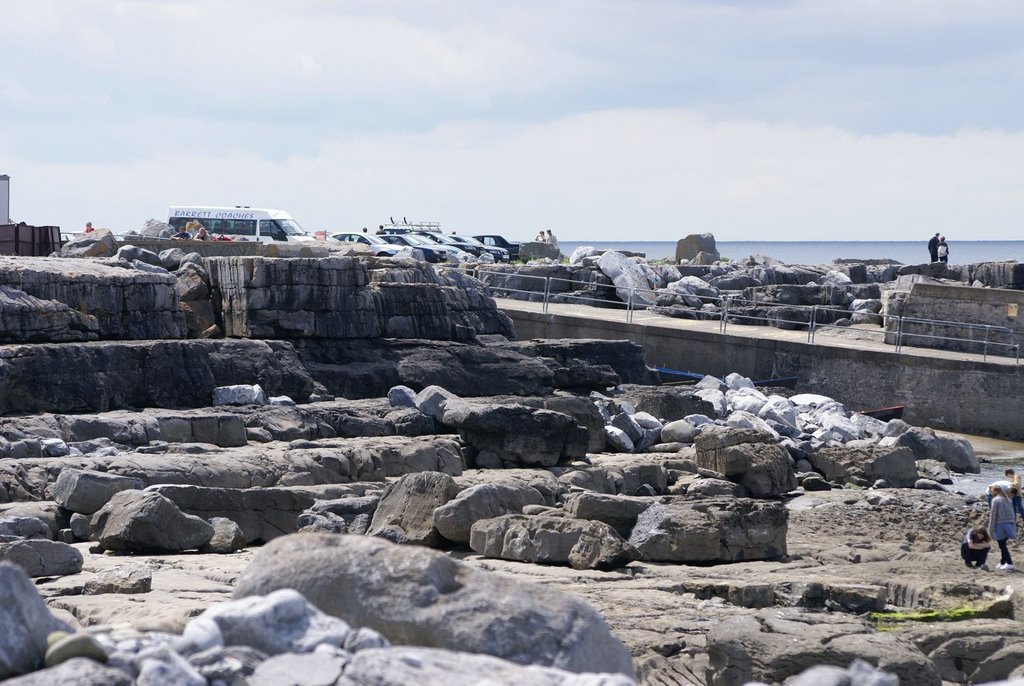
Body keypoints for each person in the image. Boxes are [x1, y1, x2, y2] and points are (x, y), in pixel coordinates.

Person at [988, 484, 1016, 570]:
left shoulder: (995, 500)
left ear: (994, 491)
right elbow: (1013, 513)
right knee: (1003, 544)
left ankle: (1009, 563)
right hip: (1010, 524)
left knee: (1002, 545)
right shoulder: (1007, 499)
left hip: (1001, 525)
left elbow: (993, 515)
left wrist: (991, 529)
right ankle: (1003, 562)